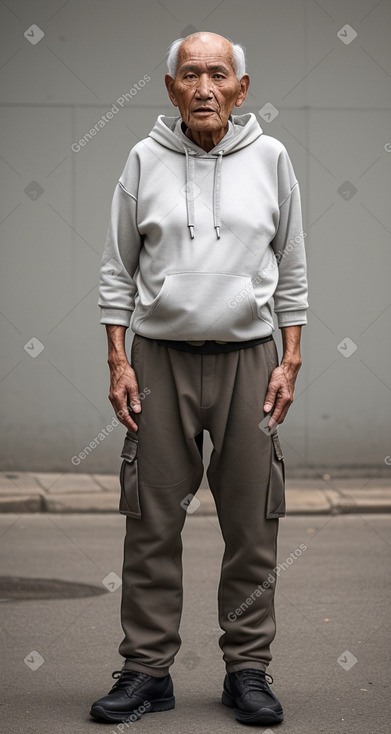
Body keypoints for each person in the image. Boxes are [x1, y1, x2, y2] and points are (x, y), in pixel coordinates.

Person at [90, 31, 308, 727]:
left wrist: (290, 358)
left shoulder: (271, 159)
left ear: (243, 90)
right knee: (150, 525)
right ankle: (145, 671)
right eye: (190, 75)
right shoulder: (143, 158)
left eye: (219, 75)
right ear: (171, 87)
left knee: (252, 526)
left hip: (249, 359)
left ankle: (247, 670)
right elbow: (115, 272)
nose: (204, 87)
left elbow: (293, 271)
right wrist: (118, 362)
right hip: (158, 361)